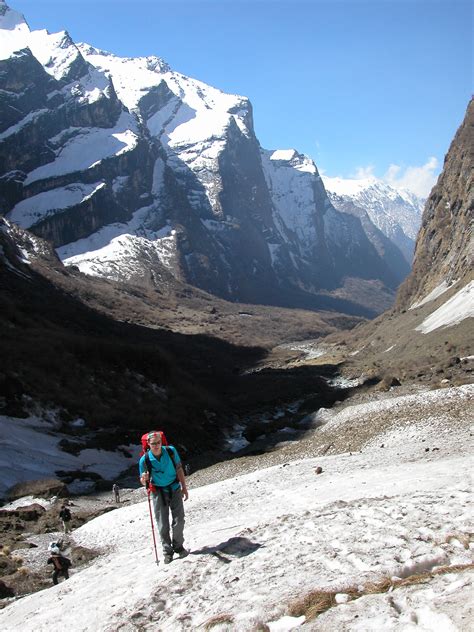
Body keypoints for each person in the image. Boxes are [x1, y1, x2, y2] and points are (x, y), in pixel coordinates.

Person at [139, 431, 189, 564]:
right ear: (148, 444)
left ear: (162, 442)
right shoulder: (145, 460)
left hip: (174, 488)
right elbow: (143, 480)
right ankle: (167, 551)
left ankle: (178, 546)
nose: (156, 445)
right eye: (153, 443)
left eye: (158, 442)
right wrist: (144, 479)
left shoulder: (171, 451)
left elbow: (179, 469)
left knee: (179, 520)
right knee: (162, 524)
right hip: (158, 492)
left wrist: (184, 487)